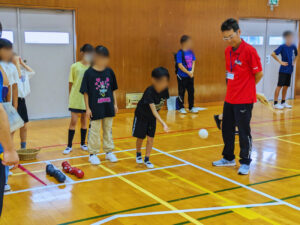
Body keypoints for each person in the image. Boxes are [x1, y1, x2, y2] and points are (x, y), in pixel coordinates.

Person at [212, 18, 263, 175]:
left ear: (239, 32)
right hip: (230, 98)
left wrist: (248, 89)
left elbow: (259, 73)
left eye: (230, 37)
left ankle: (245, 161)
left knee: (243, 131)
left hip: (244, 100)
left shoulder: (250, 51)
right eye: (225, 38)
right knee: (226, 129)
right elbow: (231, 74)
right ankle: (228, 158)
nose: (228, 41)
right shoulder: (228, 51)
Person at [80, 45, 118, 165]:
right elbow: (85, 92)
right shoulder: (89, 73)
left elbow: (113, 89)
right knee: (95, 131)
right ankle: (93, 154)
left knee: (108, 129)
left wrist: (115, 104)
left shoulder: (109, 72)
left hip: (108, 106)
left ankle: (108, 152)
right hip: (95, 108)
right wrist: (87, 108)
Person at [132, 67, 170, 168]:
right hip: (142, 115)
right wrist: (163, 123)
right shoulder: (149, 91)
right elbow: (154, 110)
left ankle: (147, 159)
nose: (164, 83)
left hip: (152, 117)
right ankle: (138, 154)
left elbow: (159, 107)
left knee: (150, 138)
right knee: (140, 137)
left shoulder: (165, 90)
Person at [0, 40, 19, 217]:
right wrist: (10, 149)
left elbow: (9, 85)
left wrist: (13, 106)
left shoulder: (6, 68)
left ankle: (5, 180)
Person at [63, 44, 94, 154]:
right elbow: (70, 83)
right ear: (82, 53)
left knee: (84, 121)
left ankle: (83, 143)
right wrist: (70, 96)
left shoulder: (91, 67)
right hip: (75, 97)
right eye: (87, 53)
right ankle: (69, 146)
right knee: (74, 121)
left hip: (87, 99)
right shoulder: (74, 66)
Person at [271, 31, 298, 109]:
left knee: (286, 86)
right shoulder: (282, 46)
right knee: (279, 86)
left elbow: (296, 54)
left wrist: (294, 62)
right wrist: (280, 62)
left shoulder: (293, 46)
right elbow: (273, 54)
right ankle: (275, 103)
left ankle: (283, 102)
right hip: (283, 70)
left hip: (290, 70)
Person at [16, 56, 35, 149]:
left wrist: (22, 64)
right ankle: (7, 149)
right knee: (11, 127)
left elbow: (32, 72)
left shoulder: (24, 73)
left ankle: (23, 147)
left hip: (22, 100)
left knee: (24, 126)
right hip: (13, 100)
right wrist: (15, 64)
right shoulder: (12, 72)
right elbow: (17, 76)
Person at [176, 35, 198, 114]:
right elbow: (180, 65)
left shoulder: (191, 52)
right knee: (181, 92)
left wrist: (192, 71)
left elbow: (193, 61)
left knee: (191, 92)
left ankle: (191, 107)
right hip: (182, 76)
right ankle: (181, 108)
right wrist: (188, 72)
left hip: (190, 76)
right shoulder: (180, 53)